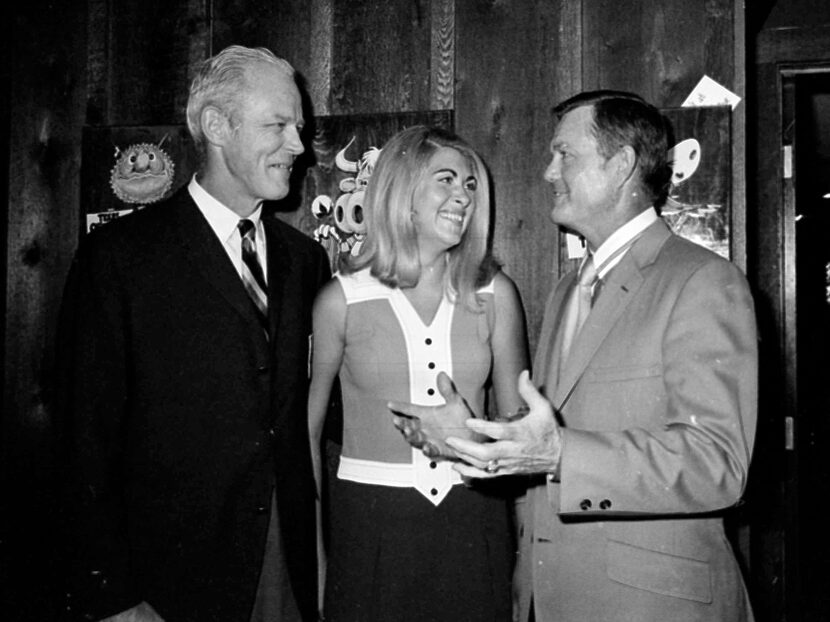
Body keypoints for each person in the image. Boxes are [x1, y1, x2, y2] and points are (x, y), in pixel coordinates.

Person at [390, 91, 758, 621]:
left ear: (623, 164)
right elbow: (552, 433)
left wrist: (560, 453)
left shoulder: (703, 281)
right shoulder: (570, 289)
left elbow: (718, 463)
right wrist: (473, 438)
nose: (548, 172)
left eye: (565, 154)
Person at [56, 45, 330, 622]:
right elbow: (85, 437)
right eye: (278, 125)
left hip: (286, 572)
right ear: (215, 126)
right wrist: (113, 594)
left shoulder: (305, 260)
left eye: (298, 128)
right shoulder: (121, 258)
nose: (299, 146)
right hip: (165, 587)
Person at [307, 125, 530, 622]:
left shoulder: (496, 295)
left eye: (471, 185)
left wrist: (525, 560)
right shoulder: (341, 299)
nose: (462, 197)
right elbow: (307, 435)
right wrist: (315, 559)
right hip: (370, 527)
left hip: (475, 522)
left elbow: (523, 430)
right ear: (403, 193)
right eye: (446, 180)